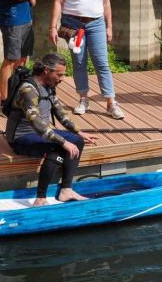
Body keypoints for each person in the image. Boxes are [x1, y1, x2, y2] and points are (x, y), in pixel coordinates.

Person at [6, 53, 98, 206]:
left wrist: (78, 132)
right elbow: (36, 123)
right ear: (46, 71)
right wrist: (63, 142)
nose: (62, 78)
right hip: (22, 138)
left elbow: (60, 113)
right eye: (59, 74)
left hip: (42, 133)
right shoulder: (28, 90)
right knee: (58, 147)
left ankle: (66, 190)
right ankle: (40, 198)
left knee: (77, 141)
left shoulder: (49, 86)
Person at [48, 0, 125, 120]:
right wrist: (53, 27)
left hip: (96, 23)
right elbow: (58, 2)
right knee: (79, 62)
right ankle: (83, 99)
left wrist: (109, 26)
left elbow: (106, 2)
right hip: (74, 24)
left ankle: (111, 102)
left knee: (101, 62)